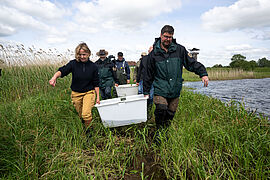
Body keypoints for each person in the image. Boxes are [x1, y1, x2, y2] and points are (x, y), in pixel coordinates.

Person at [143, 25, 209, 133]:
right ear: (160, 35)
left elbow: (191, 63)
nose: (167, 39)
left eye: (170, 37)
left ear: (172, 36)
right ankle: (159, 132)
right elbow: (148, 73)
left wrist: (203, 73)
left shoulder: (180, 50)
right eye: (165, 36)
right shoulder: (154, 53)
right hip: (160, 88)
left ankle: (165, 131)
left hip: (175, 88)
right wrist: (146, 91)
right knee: (161, 108)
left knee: (170, 113)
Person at [49, 42, 100, 131]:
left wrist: (98, 97)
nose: (82, 56)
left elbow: (96, 83)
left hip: (89, 92)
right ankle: (84, 127)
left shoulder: (93, 66)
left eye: (84, 54)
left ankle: (90, 132)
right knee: (81, 115)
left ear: (88, 54)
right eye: (80, 54)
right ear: (77, 54)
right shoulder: (73, 64)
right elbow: (63, 70)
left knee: (86, 114)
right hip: (76, 93)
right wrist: (54, 77)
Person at [134, 51, 154, 119]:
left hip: (151, 81)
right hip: (142, 80)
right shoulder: (141, 61)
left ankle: (148, 111)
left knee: (150, 97)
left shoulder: (155, 59)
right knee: (141, 94)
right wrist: (137, 80)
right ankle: (140, 111)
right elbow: (138, 71)